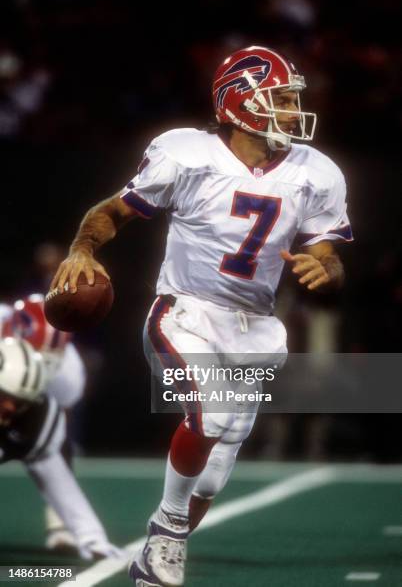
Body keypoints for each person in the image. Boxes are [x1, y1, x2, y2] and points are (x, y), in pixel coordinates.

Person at [50, 46, 353, 586]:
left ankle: (152, 558)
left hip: (255, 325)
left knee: (216, 467)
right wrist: (82, 248)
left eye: (291, 99)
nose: (291, 110)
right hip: (184, 310)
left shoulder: (316, 172)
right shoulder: (187, 154)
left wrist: (325, 268)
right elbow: (113, 211)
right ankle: (166, 533)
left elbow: (329, 254)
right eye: (280, 99)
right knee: (209, 416)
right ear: (241, 103)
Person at [0, 336, 122, 560]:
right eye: (3, 397)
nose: (9, 407)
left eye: (17, 401)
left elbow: (54, 475)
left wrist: (91, 538)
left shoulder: (34, 417)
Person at [1, 296, 93, 556]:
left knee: (55, 439)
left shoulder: (68, 372)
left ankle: (59, 520)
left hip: (24, 406)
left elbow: (56, 430)